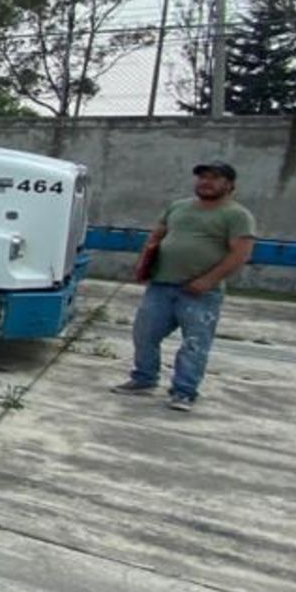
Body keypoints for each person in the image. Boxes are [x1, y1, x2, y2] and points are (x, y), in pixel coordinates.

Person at [112, 161, 255, 410]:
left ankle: (184, 391)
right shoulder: (178, 207)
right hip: (161, 285)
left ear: (229, 185)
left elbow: (240, 254)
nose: (206, 182)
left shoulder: (237, 215)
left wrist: (208, 280)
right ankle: (144, 379)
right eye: (202, 177)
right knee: (144, 333)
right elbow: (157, 235)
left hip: (201, 292)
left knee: (194, 343)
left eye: (214, 178)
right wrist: (144, 263)